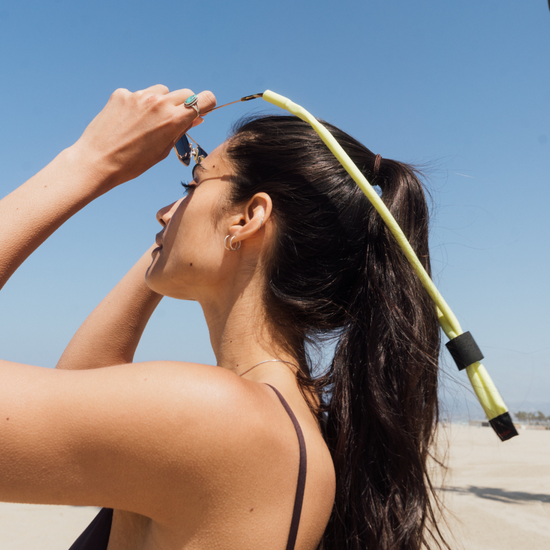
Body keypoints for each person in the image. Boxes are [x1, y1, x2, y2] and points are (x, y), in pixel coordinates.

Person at [0, 85, 446, 550]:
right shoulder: (287, 414)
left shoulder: (218, 414)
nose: (163, 211)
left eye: (191, 183)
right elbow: (78, 400)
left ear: (248, 219)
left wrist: (91, 159)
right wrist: (178, 227)